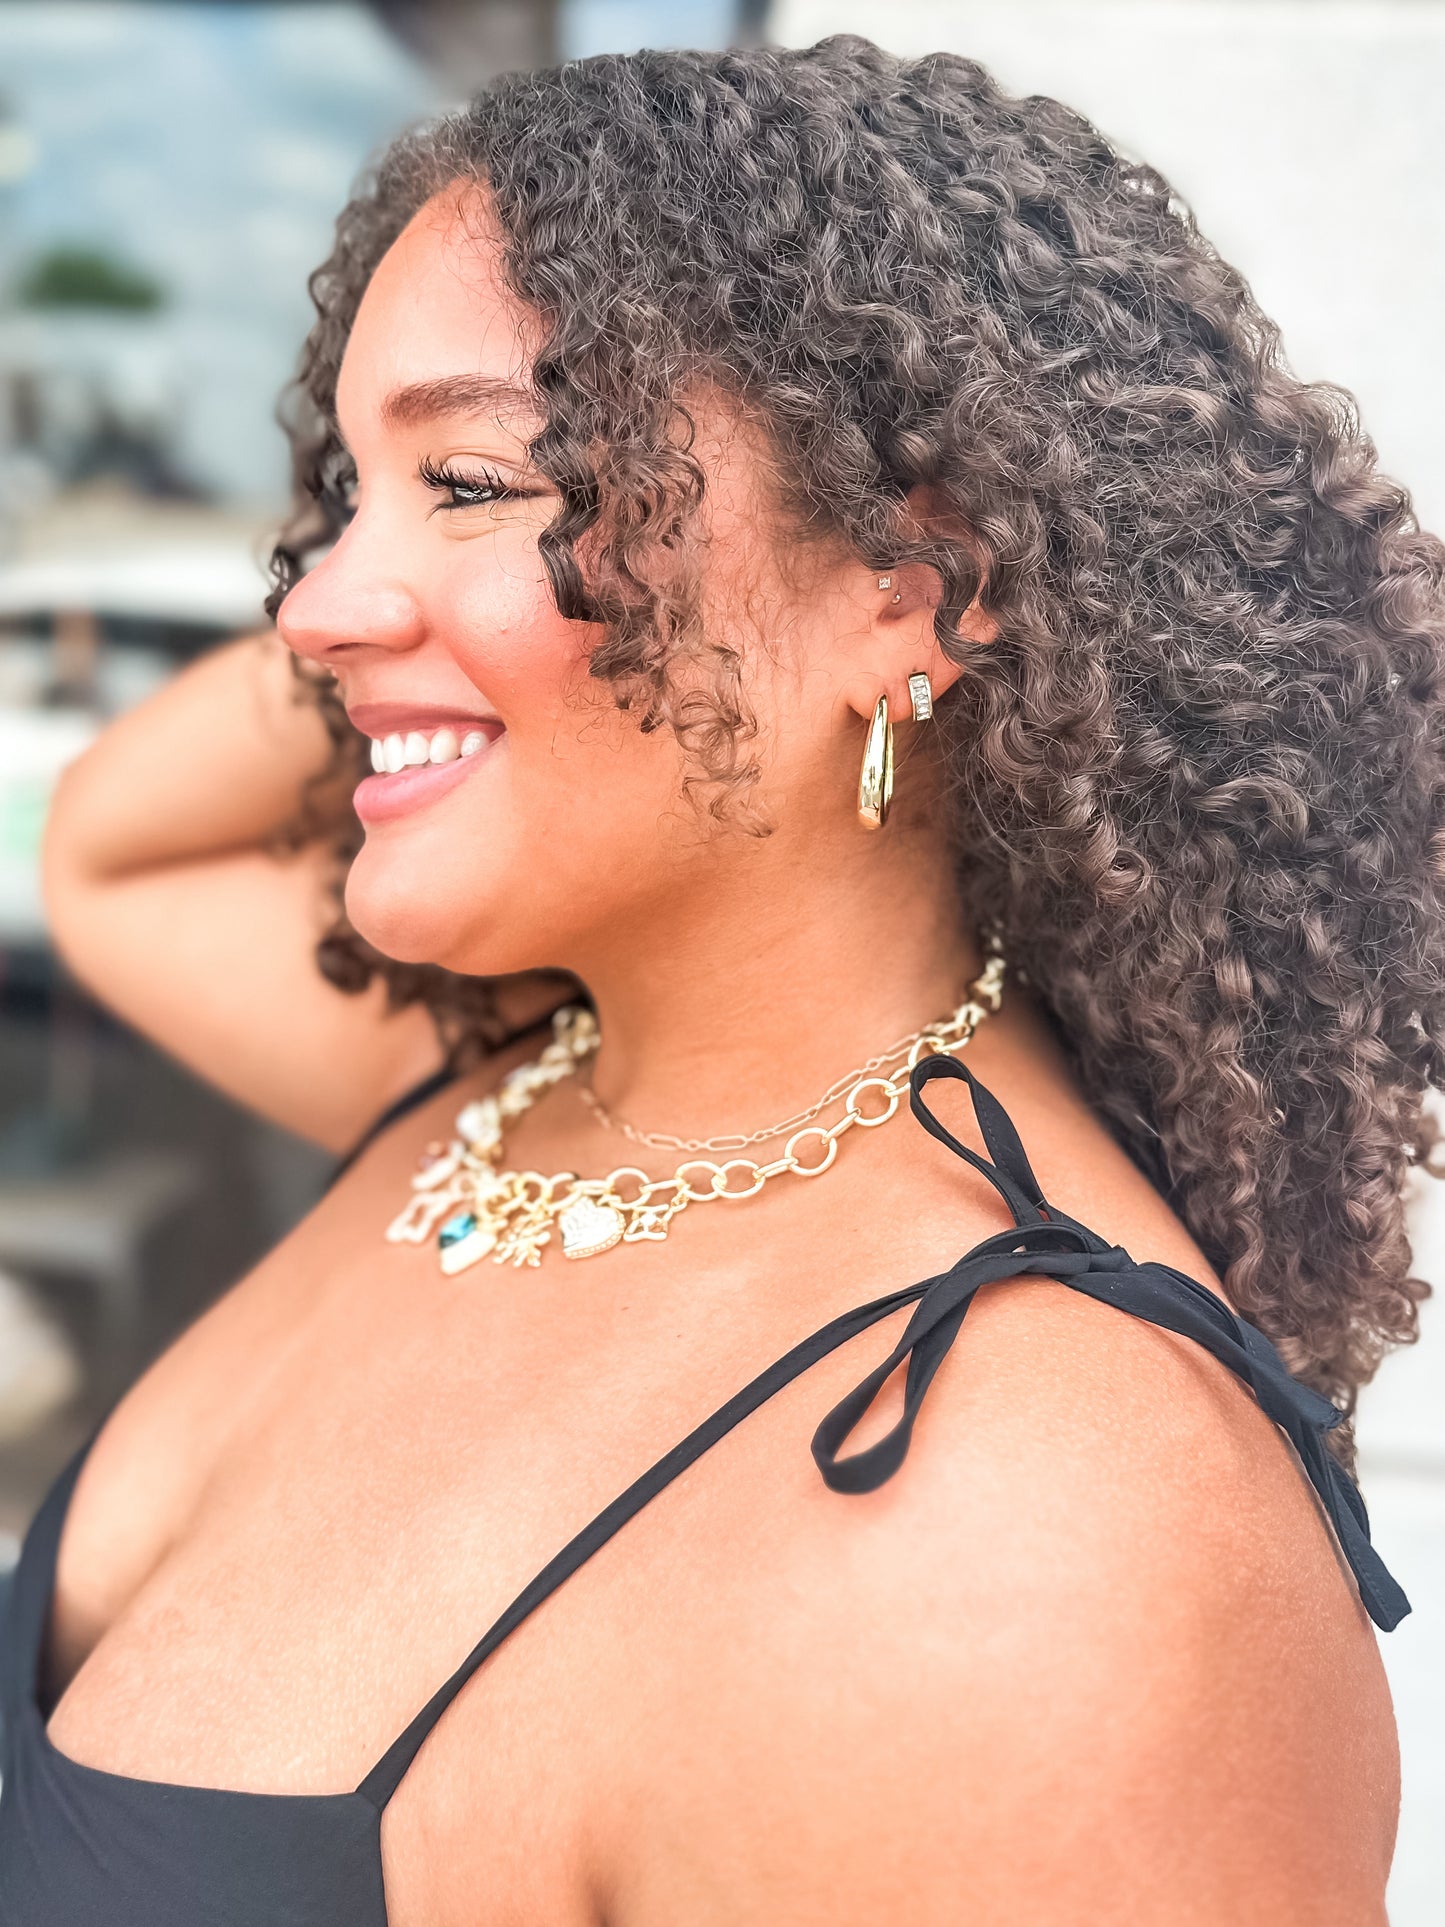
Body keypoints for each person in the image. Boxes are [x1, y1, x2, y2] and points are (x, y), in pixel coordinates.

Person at [2, 35, 1438, 1926]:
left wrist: (477, 640)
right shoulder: (524, 1097)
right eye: (347, 488)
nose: (311, 606)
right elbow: (113, 849)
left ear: (910, 589)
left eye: (478, 475)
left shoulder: (1029, 1533)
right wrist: (454, 602)